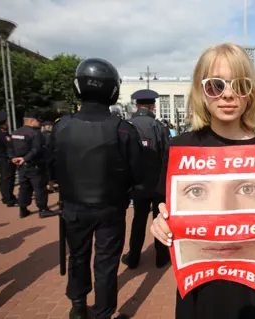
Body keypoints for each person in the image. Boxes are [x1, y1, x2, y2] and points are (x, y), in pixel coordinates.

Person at [150, 43, 255, 319]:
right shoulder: (179, 149)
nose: (228, 94)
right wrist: (159, 225)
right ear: (200, 90)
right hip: (201, 289)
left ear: (250, 92)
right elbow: (164, 214)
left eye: (240, 85)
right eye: (215, 85)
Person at [49, 58, 159, 319]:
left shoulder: (60, 127)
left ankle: (77, 304)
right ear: (113, 89)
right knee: (106, 262)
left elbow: (51, 168)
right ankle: (103, 312)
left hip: (73, 208)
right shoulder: (123, 129)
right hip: (111, 208)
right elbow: (138, 172)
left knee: (77, 256)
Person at [121, 89, 170, 270]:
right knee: (160, 219)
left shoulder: (127, 125)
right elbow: (167, 155)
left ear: (136, 105)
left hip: (137, 184)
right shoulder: (158, 127)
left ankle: (133, 257)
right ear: (152, 106)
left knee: (138, 220)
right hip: (157, 184)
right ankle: (161, 257)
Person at [9, 110, 55, 218]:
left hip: (21, 166)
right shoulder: (35, 133)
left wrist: (13, 158)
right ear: (31, 121)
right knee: (40, 188)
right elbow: (36, 150)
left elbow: (10, 148)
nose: (40, 123)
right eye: (38, 121)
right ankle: (43, 209)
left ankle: (23, 209)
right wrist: (25, 158)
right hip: (35, 165)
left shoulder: (15, 132)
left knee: (24, 187)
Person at [0, 111, 17, 207]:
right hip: (6, 158)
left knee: (4, 178)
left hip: (2, 158)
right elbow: (9, 144)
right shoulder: (1, 132)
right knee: (8, 179)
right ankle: (9, 199)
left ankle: (7, 197)